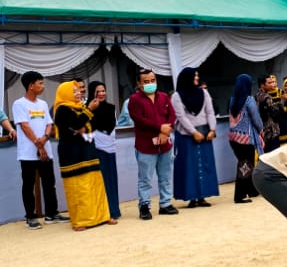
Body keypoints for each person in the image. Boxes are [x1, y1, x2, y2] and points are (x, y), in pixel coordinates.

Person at [52, 81, 114, 231]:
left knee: (95, 184)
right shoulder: (61, 110)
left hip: (88, 150)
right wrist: (89, 110)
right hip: (72, 154)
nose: (78, 93)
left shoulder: (81, 107)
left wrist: (92, 109)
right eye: (74, 91)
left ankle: (101, 216)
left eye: (78, 90)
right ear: (65, 93)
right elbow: (75, 125)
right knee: (78, 188)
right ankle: (81, 220)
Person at [12, 71, 68, 230]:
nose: (42, 86)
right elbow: (24, 126)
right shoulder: (19, 104)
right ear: (31, 86)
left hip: (45, 148)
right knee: (28, 184)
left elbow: (49, 123)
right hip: (28, 152)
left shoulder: (43, 104)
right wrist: (39, 145)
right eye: (40, 83)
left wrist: (44, 138)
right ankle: (30, 216)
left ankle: (52, 213)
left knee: (49, 182)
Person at [128, 68, 178, 219]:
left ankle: (165, 204)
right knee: (145, 179)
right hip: (145, 147)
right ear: (139, 83)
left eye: (153, 80)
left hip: (165, 144)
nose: (150, 84)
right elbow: (140, 120)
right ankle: (144, 206)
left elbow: (172, 115)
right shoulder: (134, 100)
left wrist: (165, 131)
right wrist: (159, 127)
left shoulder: (163, 97)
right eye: (146, 82)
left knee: (165, 176)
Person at [171, 67, 219, 208]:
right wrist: (193, 132)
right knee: (189, 166)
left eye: (197, 75)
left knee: (205, 165)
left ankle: (203, 196)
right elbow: (181, 116)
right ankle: (191, 197)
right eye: (194, 76)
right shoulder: (177, 96)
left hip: (205, 133)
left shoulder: (203, 93)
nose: (197, 78)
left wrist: (212, 129)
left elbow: (210, 112)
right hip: (187, 136)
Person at [228, 73, 264, 204]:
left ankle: (252, 190)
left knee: (245, 164)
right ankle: (239, 195)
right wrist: (261, 130)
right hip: (246, 138)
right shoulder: (249, 100)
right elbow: (256, 118)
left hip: (233, 138)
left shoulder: (232, 99)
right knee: (245, 166)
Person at [87, 80, 121, 220]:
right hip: (96, 149)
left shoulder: (111, 107)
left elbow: (112, 126)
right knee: (101, 181)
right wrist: (90, 110)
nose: (101, 94)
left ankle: (114, 210)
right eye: (98, 91)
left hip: (110, 148)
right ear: (92, 93)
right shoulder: (87, 109)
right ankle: (103, 212)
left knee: (111, 180)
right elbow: (86, 129)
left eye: (103, 90)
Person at [254, 75, 282, 153]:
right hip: (271, 131)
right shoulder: (266, 97)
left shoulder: (256, 96)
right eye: (269, 83)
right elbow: (275, 113)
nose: (271, 85)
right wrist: (282, 102)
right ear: (262, 85)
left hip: (262, 131)